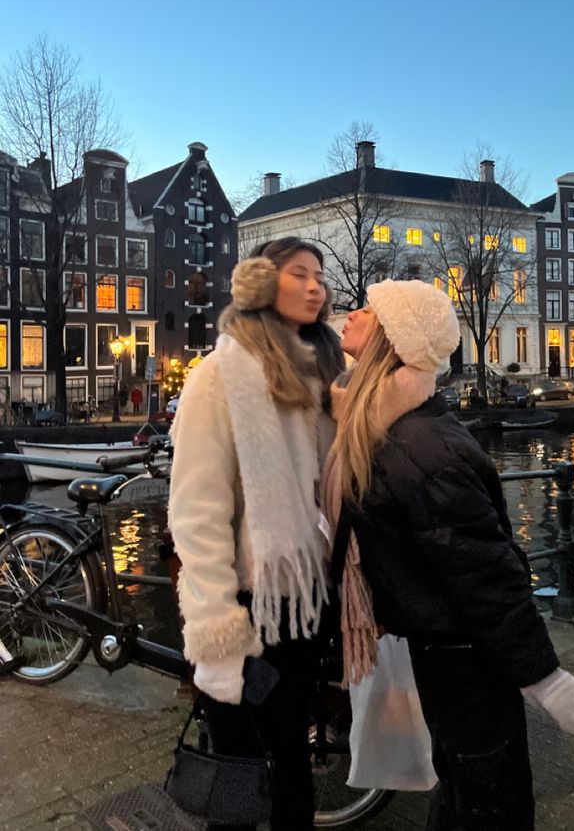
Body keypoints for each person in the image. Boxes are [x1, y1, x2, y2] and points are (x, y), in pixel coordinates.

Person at [326, 279, 574, 831]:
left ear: (391, 338)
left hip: (467, 656)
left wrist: (544, 678)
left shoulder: (420, 446)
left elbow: (487, 574)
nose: (350, 313)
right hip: (441, 646)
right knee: (464, 785)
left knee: (485, 799)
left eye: (368, 309)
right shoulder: (380, 423)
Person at [168, 237, 344, 831]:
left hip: (302, 605)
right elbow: (197, 510)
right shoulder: (218, 379)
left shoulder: (319, 378)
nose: (316, 285)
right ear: (263, 283)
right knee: (241, 774)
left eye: (320, 274)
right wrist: (219, 630)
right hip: (248, 607)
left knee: (292, 764)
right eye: (300, 274)